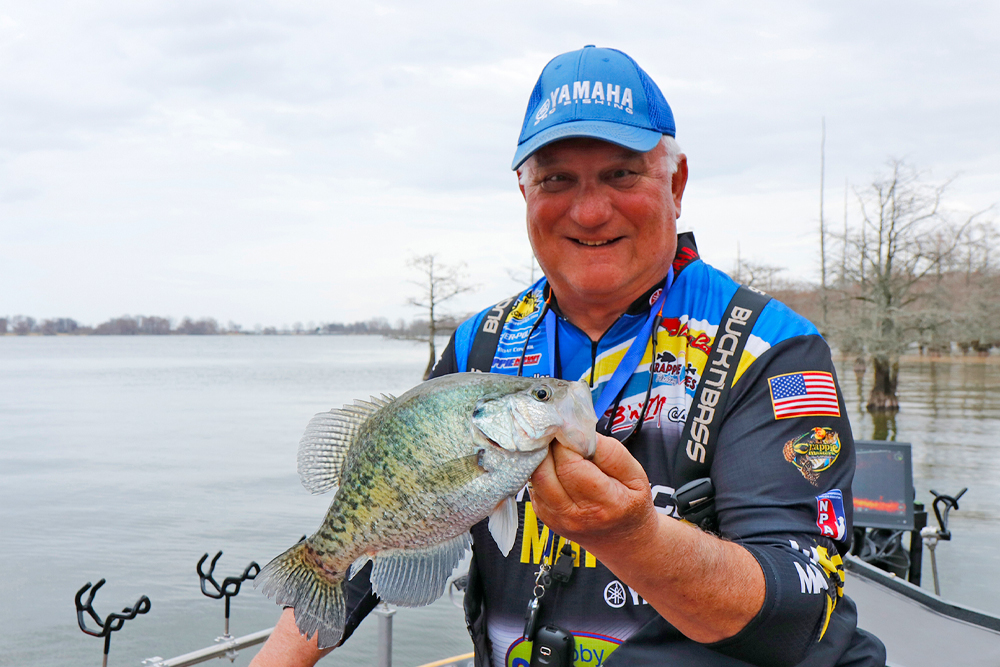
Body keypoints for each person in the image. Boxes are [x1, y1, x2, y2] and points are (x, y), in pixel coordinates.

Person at [251, 46, 886, 667]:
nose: (589, 210)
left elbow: (799, 612)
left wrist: (635, 540)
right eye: (557, 179)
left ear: (678, 181)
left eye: (622, 174)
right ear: (523, 191)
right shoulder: (483, 344)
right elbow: (388, 516)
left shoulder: (767, 350)